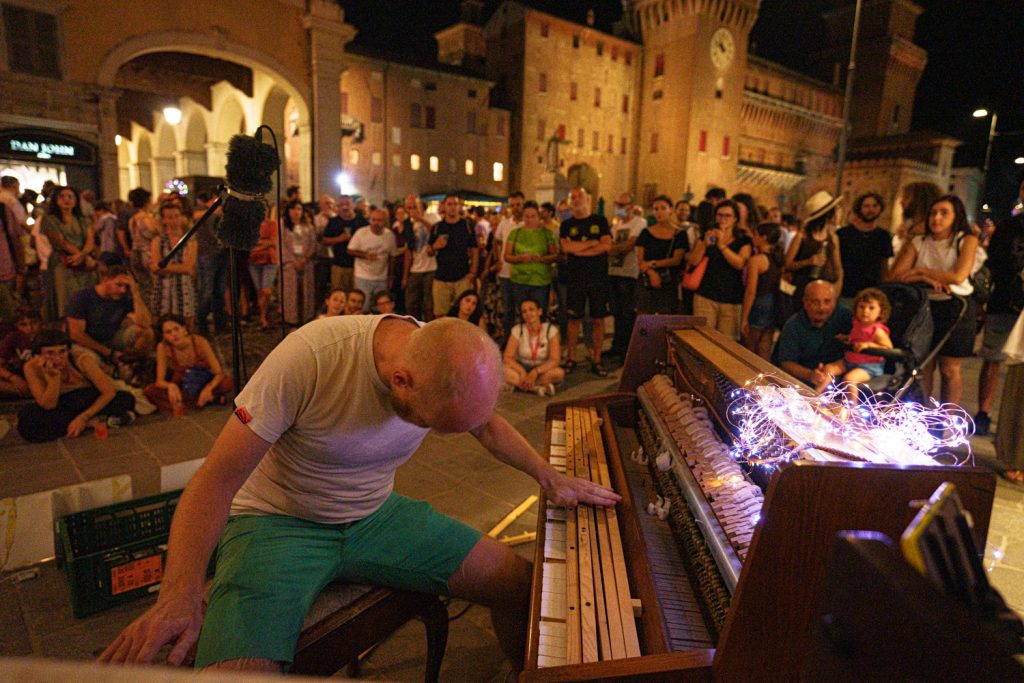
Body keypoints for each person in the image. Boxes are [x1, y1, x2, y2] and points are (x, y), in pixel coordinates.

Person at [100, 315, 619, 672]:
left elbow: (486, 427)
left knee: (524, 584)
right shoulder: (311, 358)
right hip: (278, 522)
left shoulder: (439, 357)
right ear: (400, 380)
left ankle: (519, 673)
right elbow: (216, 479)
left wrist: (549, 477)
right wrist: (180, 594)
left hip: (375, 514)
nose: (439, 436)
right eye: (431, 425)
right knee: (237, 672)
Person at [889, 194, 978, 406]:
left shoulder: (966, 240)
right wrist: (923, 277)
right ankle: (924, 416)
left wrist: (919, 269)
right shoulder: (920, 241)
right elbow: (896, 275)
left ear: (956, 216)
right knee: (924, 365)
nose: (937, 218)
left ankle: (946, 419)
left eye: (944, 213)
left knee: (949, 368)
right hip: (926, 307)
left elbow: (958, 276)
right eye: (933, 213)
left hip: (957, 307)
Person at [17, 329, 136, 443]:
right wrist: (54, 378)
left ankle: (84, 422)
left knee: (125, 399)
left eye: (62, 352)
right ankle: (93, 422)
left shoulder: (81, 359)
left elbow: (109, 392)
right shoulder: (31, 367)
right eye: (50, 353)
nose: (58, 358)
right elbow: (48, 405)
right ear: (38, 355)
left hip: (86, 398)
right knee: (28, 419)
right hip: (62, 404)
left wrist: (83, 418)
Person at [975, 179, 1024, 436]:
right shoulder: (1007, 228)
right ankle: (984, 411)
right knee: (993, 358)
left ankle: (1014, 420)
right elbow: (996, 262)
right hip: (1005, 301)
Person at [560, 186, 612, 376]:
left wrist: (578, 249)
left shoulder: (600, 220)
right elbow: (566, 248)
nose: (576, 200)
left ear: (588, 199)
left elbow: (606, 246)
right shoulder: (566, 225)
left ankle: (597, 360)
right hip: (575, 278)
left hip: (598, 278)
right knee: (573, 319)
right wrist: (592, 243)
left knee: (598, 319)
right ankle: (571, 358)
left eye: (579, 196)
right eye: (572, 197)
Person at [65, 263, 154, 374]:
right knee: (90, 362)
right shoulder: (82, 297)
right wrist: (107, 352)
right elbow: (76, 334)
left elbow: (146, 323)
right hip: (86, 342)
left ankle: (131, 368)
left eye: (126, 287)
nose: (123, 290)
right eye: (119, 285)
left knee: (147, 333)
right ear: (105, 280)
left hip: (110, 338)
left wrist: (135, 293)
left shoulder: (124, 296)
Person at [687, 199, 752, 339]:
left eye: (727, 216)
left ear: (735, 219)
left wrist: (722, 244)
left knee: (726, 344)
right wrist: (704, 244)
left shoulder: (743, 240)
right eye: (719, 215)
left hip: (731, 299)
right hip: (705, 295)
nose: (723, 219)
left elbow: (739, 263)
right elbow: (693, 261)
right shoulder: (708, 234)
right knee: (703, 339)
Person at [144, 314, 233, 413]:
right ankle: (206, 400)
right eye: (168, 332)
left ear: (184, 329)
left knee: (227, 383)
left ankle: (195, 401)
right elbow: (159, 381)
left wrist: (208, 388)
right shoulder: (163, 347)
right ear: (164, 336)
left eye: (176, 329)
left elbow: (219, 373)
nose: (174, 334)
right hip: (183, 384)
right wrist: (170, 386)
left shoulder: (199, 341)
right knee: (150, 391)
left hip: (203, 381)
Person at [773, 279, 854, 388]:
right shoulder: (793, 325)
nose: (822, 308)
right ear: (805, 303)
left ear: (835, 302)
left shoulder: (846, 317)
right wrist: (810, 374)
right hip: (802, 382)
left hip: (838, 376)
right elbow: (786, 363)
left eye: (827, 302)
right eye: (816, 302)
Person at [821, 288, 894, 395]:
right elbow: (857, 338)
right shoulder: (856, 324)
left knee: (849, 379)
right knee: (829, 369)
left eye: (871, 308)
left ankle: (851, 409)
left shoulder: (877, 330)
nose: (865, 311)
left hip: (869, 366)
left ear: (881, 312)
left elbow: (888, 348)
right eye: (862, 307)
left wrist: (869, 345)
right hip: (850, 360)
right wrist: (846, 338)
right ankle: (816, 395)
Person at [41, 185, 98, 317]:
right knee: (65, 298)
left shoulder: (83, 219)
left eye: (70, 197)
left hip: (84, 261)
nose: (66, 199)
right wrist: (80, 255)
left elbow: (90, 240)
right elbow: (61, 242)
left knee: (86, 296)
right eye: (62, 196)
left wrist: (83, 255)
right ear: (56, 200)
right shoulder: (49, 219)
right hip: (63, 260)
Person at [504, 201, 558, 323]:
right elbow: (507, 256)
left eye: (533, 216)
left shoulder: (547, 234)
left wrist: (541, 259)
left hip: (540, 281)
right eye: (526, 216)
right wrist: (520, 259)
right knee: (522, 315)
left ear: (538, 217)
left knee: (540, 313)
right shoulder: (515, 233)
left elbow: (554, 256)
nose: (529, 219)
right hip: (519, 280)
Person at [836, 192, 892, 310]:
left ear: (880, 208)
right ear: (859, 208)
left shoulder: (884, 236)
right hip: (847, 292)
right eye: (866, 206)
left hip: (871, 295)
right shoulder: (843, 234)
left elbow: (884, 266)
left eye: (874, 206)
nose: (870, 209)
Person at [785, 190, 843, 301]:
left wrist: (837, 287)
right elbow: (787, 264)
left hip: (824, 290)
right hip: (803, 290)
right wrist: (809, 261)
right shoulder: (802, 236)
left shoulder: (833, 238)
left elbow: (838, 267)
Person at [607, 193, 647, 356]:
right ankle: (616, 346)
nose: (619, 208)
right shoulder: (616, 225)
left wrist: (610, 249)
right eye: (617, 204)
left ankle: (627, 350)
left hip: (629, 273)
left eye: (622, 205)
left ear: (631, 206)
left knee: (627, 312)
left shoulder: (639, 222)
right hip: (613, 271)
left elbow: (630, 244)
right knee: (616, 311)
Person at [635, 195, 688, 314]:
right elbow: (640, 259)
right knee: (644, 317)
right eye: (655, 209)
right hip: (647, 280)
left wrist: (652, 264)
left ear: (671, 210)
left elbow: (676, 259)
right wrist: (651, 272)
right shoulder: (646, 232)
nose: (659, 212)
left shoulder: (679, 234)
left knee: (665, 318)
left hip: (669, 281)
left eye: (663, 208)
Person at [428, 194, 478, 319]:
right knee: (440, 314)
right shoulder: (437, 227)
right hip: (441, 277)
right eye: (449, 204)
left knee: (463, 314)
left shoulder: (467, 226)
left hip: (462, 276)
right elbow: (429, 251)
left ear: (459, 207)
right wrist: (435, 246)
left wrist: (473, 271)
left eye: (455, 204)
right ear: (444, 206)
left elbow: (475, 250)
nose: (452, 207)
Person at [150, 201, 197, 329]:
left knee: (187, 325)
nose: (174, 220)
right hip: (163, 288)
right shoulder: (158, 240)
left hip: (184, 287)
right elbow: (154, 267)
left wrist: (164, 267)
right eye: (170, 217)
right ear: (164, 220)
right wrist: (180, 268)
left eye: (176, 216)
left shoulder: (190, 240)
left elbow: (188, 267)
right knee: (160, 325)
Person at [503, 298, 564, 396]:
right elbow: (507, 357)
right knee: (502, 370)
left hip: (542, 369)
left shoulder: (551, 330)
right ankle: (536, 388)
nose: (528, 314)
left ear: (539, 311)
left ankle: (520, 385)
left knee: (559, 373)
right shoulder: (517, 330)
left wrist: (535, 372)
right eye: (524, 311)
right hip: (521, 367)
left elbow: (555, 359)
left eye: (531, 309)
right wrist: (522, 372)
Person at [741, 222, 784, 360]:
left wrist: (744, 318)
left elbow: (750, 291)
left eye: (755, 235)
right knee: (765, 348)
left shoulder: (757, 260)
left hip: (760, 303)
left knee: (750, 348)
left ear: (763, 237)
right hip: (774, 303)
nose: (753, 238)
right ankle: (765, 379)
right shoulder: (778, 258)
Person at [192, 192, 229, 335]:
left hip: (221, 255)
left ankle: (220, 323)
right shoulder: (201, 211)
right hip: (207, 256)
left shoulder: (216, 214)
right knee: (206, 291)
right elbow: (212, 235)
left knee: (219, 290)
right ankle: (202, 324)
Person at [348, 209, 398, 312]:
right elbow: (350, 250)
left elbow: (392, 256)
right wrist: (364, 255)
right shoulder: (361, 233)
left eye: (379, 220)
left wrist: (391, 275)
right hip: (363, 276)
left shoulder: (390, 236)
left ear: (385, 222)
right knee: (363, 307)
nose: (375, 223)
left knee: (381, 308)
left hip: (381, 277)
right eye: (373, 220)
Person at [280, 199, 318, 326]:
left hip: (305, 261)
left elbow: (313, 244)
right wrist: (292, 260)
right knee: (290, 291)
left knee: (306, 290)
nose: (296, 212)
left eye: (299, 209)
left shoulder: (308, 226)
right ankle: (291, 319)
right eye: (293, 209)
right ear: (288, 211)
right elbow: (281, 245)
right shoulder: (282, 225)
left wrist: (304, 259)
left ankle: (306, 317)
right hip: (290, 263)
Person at [492, 192, 526, 332]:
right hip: (506, 272)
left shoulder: (528, 223)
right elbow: (496, 241)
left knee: (523, 309)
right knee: (508, 310)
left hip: (524, 273)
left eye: (518, 204)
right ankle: (508, 339)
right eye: (512, 205)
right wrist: (497, 260)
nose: (515, 208)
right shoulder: (504, 224)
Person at [321, 195, 367, 293]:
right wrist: (339, 239)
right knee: (338, 294)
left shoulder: (362, 222)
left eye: (347, 204)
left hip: (359, 266)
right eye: (341, 205)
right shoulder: (333, 222)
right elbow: (324, 241)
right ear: (337, 207)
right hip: (339, 266)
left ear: (353, 205)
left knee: (357, 295)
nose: (345, 207)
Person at [401, 195, 437, 322]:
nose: (412, 210)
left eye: (414, 206)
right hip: (416, 268)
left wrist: (420, 219)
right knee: (410, 303)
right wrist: (405, 275)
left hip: (431, 267)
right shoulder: (407, 224)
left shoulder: (432, 217)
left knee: (429, 304)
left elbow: (435, 232)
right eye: (409, 207)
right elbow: (409, 251)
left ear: (421, 205)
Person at [893, 181, 942, 262]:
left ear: (920, 200)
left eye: (906, 197)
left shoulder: (932, 233)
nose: (901, 202)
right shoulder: (907, 227)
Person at [127, 187, 159, 305]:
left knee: (143, 286)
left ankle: (145, 310)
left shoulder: (132, 219)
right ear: (147, 201)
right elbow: (157, 234)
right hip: (147, 254)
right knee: (154, 286)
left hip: (134, 253)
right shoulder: (148, 219)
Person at [248, 210, 279, 331]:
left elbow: (272, 241)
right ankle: (263, 317)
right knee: (259, 291)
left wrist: (258, 245)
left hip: (269, 260)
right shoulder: (251, 226)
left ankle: (264, 316)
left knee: (266, 290)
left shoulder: (272, 224)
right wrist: (263, 243)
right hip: (254, 261)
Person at [0, 308, 39, 397]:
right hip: (20, 377)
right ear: (17, 326)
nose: (30, 328)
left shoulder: (47, 337)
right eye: (23, 325)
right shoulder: (13, 338)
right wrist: (12, 377)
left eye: (34, 323)